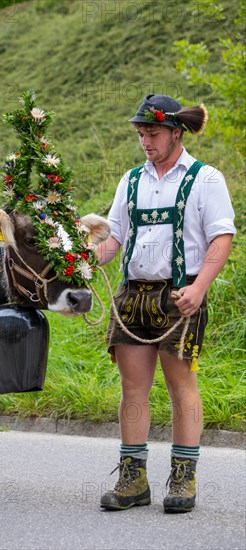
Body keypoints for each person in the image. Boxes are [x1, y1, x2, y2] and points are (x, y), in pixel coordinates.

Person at [97, 94, 236, 513]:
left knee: (181, 387)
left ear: (176, 132)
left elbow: (222, 238)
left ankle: (183, 479)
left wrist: (200, 288)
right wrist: (79, 260)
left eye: (152, 133)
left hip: (180, 297)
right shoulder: (131, 181)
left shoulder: (205, 178)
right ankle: (132, 480)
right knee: (132, 388)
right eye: (141, 134)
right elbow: (114, 238)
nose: (145, 141)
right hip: (132, 296)